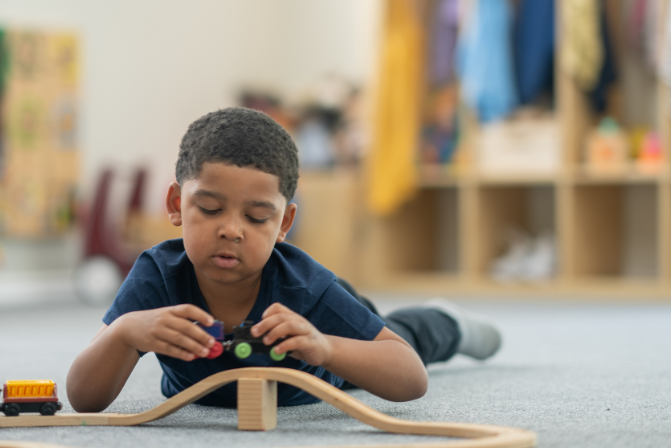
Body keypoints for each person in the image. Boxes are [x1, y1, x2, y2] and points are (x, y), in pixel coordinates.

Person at [66, 107, 501, 411]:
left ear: (284, 222)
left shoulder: (305, 287)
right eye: (211, 209)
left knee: (403, 333)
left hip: (324, 339)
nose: (231, 230)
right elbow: (84, 398)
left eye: (257, 217)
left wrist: (325, 347)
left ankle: (449, 322)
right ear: (177, 204)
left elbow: (410, 378)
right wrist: (124, 332)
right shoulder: (158, 275)